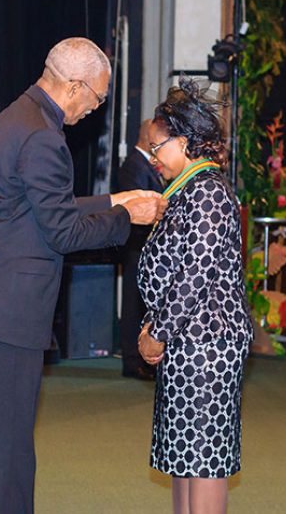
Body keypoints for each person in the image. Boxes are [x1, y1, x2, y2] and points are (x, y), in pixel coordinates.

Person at [0, 37, 166, 514]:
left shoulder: (17, 115)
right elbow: (61, 231)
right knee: (8, 453)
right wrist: (129, 220)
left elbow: (38, 209)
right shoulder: (45, 135)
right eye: (98, 98)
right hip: (5, 308)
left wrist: (113, 201)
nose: (95, 109)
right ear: (76, 86)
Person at [137, 79, 253, 514]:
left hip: (207, 341)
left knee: (203, 459)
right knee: (184, 457)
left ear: (184, 142)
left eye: (157, 147)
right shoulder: (189, 188)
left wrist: (158, 332)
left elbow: (194, 273)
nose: (153, 158)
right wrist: (156, 327)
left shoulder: (206, 191)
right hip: (188, 339)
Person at [118, 119, 165, 380]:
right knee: (133, 303)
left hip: (147, 245)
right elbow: (133, 207)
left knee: (142, 303)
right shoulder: (133, 165)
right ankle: (132, 360)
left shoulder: (147, 164)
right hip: (137, 244)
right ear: (148, 135)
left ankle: (142, 360)